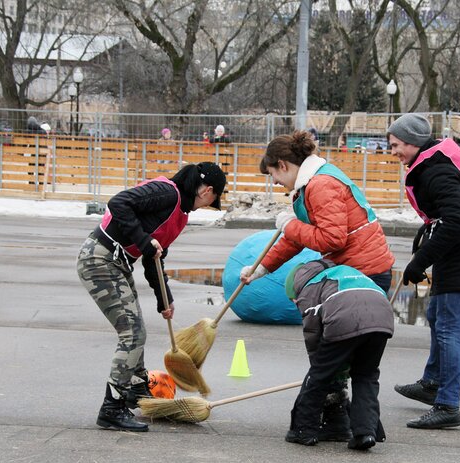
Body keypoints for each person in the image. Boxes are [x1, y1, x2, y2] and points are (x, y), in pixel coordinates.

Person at [240, 129, 395, 442]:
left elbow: (331, 239)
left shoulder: (321, 185)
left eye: (272, 174)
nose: (275, 183)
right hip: (361, 272)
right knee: (361, 365)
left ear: (283, 165)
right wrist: (262, 267)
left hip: (362, 275)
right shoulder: (310, 184)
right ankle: (357, 426)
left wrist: (291, 225)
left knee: (332, 357)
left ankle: (318, 423)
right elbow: (296, 240)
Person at [77, 162, 227, 432]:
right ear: (207, 190)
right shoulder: (167, 193)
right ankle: (112, 407)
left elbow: (154, 259)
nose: (207, 205)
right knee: (133, 334)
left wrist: (164, 299)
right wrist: (144, 240)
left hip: (116, 264)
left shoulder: (179, 214)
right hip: (99, 259)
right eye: (212, 201)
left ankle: (135, 389)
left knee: (137, 330)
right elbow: (119, 203)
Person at [386, 113, 460, 430]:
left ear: (414, 142)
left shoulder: (438, 171)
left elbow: (457, 222)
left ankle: (447, 404)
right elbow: (444, 219)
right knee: (436, 316)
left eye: (396, 145)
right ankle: (432, 384)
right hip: (456, 250)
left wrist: (420, 261)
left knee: (447, 327)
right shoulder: (433, 163)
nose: (393, 152)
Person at [284, 260, 394, 450]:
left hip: (345, 315)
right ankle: (365, 432)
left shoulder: (308, 289)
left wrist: (323, 367)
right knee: (366, 375)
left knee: (319, 374)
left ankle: (304, 430)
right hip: (382, 316)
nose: (296, 304)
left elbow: (313, 336)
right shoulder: (344, 273)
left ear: (295, 288)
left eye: (294, 301)